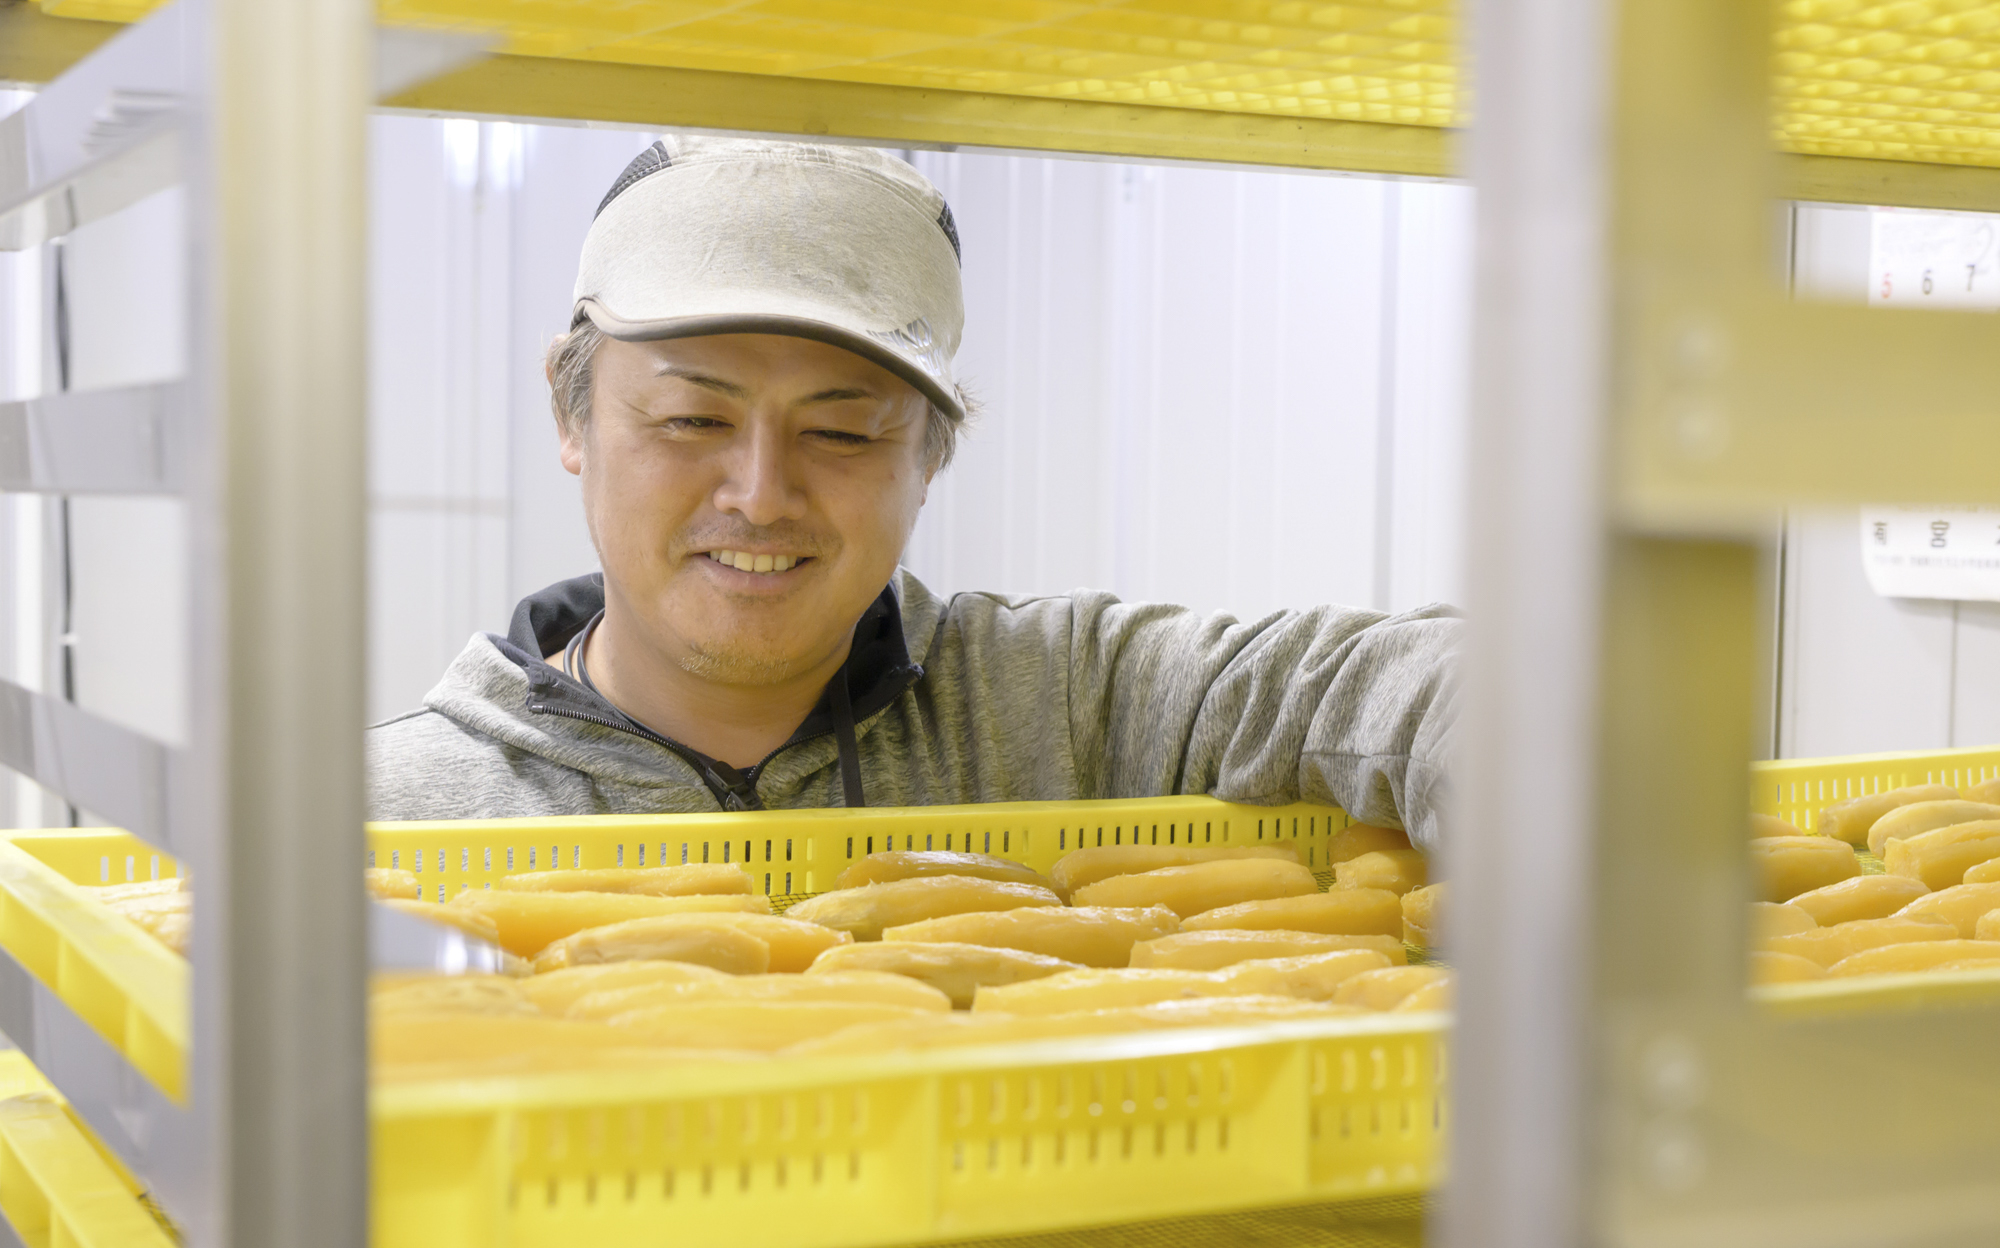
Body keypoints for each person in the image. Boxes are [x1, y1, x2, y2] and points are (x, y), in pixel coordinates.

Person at [367, 136, 1460, 848]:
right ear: (572, 415)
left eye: (841, 429)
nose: (758, 494)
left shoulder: (1064, 709)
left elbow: (1401, 688)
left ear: (930, 456)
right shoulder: (384, 812)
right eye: (692, 419)